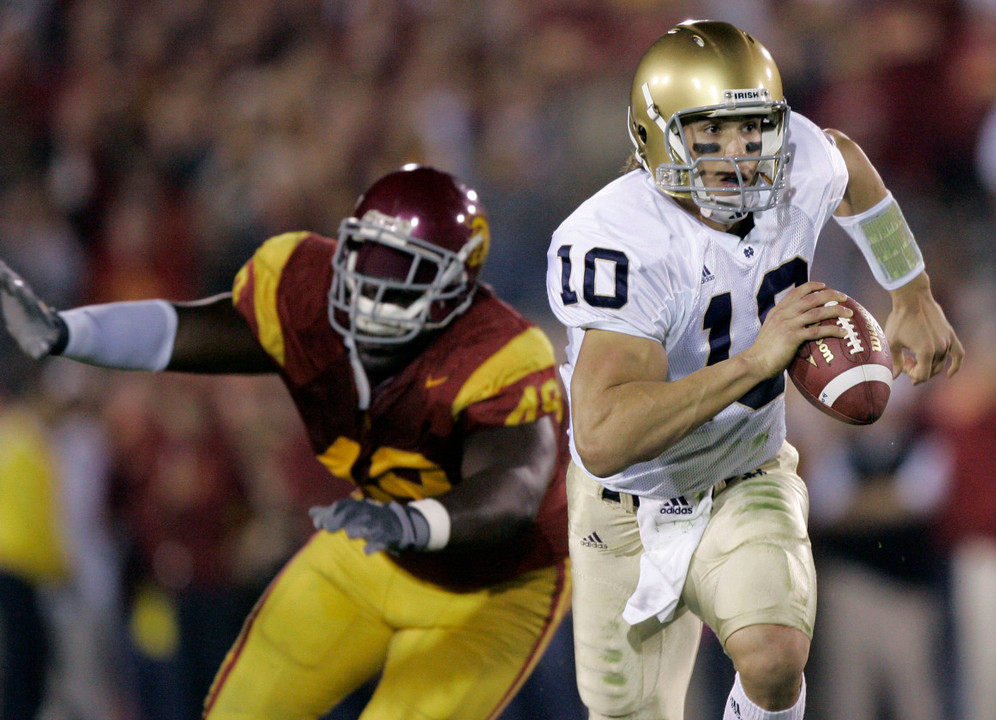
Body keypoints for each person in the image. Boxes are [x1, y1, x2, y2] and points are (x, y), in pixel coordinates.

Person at [1, 165, 572, 720]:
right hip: (379, 537)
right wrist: (66, 331)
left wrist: (413, 523)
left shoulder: (501, 357)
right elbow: (199, 329)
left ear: (454, 285)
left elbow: (513, 491)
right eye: (368, 257)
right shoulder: (306, 287)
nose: (372, 286)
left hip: (495, 576)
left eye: (403, 269)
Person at [545, 19, 963, 720]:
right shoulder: (618, 240)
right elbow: (604, 437)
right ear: (656, 136)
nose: (739, 156)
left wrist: (911, 291)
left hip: (746, 471)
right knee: (629, 712)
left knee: (773, 657)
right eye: (710, 135)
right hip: (624, 503)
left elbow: (848, 164)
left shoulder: (795, 159)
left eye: (752, 131)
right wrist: (754, 363)